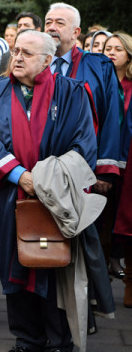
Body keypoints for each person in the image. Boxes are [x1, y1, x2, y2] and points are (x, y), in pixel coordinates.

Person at [0, 30, 113, 352]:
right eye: (15, 51)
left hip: (57, 198)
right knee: (15, 263)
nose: (18, 57)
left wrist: (43, 180)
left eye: (27, 53)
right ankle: (27, 339)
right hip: (11, 197)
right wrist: (20, 176)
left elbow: (83, 145)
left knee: (56, 268)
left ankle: (59, 340)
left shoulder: (72, 92)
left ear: (47, 61)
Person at [44, 4, 121, 275]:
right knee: (41, 239)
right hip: (42, 168)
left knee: (80, 243)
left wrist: (105, 170)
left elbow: (112, 117)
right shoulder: (34, 63)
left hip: (85, 169)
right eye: (48, 22)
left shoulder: (98, 67)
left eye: (59, 23)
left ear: (76, 32)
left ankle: (80, 307)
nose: (52, 27)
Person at [105, 32, 132, 304]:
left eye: (118, 48)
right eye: (107, 48)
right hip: (105, 161)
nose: (111, 53)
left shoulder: (131, 86)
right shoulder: (101, 82)